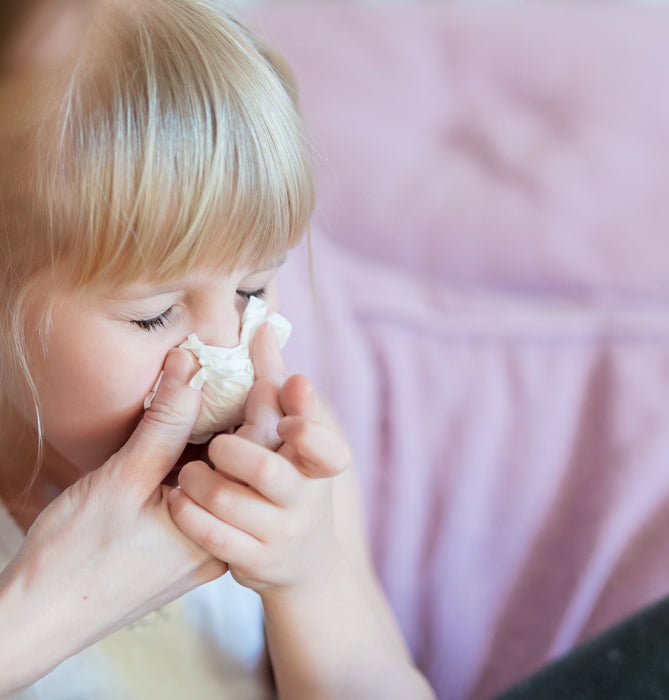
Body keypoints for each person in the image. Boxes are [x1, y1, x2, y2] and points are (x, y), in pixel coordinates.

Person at [0, 1, 435, 698]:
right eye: (155, 316)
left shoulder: (285, 481)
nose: (228, 348)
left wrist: (309, 577)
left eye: (254, 289)